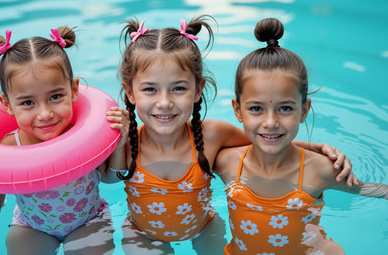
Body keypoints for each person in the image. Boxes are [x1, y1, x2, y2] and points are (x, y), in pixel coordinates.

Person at [107, 16, 357, 254]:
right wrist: (119, 145)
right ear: (129, 92)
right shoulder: (126, 139)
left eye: (178, 88)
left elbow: (264, 141)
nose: (164, 102)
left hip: (204, 228)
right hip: (142, 232)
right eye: (150, 89)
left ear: (198, 90)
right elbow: (110, 179)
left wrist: (318, 149)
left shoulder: (212, 135)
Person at [0, 27, 128, 255]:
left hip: (90, 219)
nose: (45, 114)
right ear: (7, 105)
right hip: (32, 226)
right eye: (28, 103)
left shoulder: (83, 137)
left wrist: (119, 145)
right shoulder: (8, 149)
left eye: (55, 97)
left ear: (74, 90)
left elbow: (111, 178)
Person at [214, 18, 388, 255]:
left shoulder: (321, 169)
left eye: (285, 108)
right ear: (237, 110)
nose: (271, 122)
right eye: (256, 109)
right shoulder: (226, 162)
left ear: (304, 110)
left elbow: (373, 191)